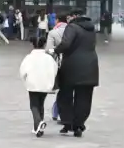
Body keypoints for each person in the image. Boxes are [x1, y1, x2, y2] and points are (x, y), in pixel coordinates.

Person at [54, 9, 100, 137]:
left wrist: (55, 50)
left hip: (72, 66)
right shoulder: (92, 28)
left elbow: (66, 43)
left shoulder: (72, 27)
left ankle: (67, 122)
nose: (67, 19)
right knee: (84, 98)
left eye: (69, 17)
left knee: (65, 95)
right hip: (90, 66)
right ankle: (78, 124)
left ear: (74, 16)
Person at [19, 34, 59, 137]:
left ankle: (38, 122)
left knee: (34, 105)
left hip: (33, 84)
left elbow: (22, 71)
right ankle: (37, 128)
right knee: (41, 104)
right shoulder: (49, 58)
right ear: (44, 45)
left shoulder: (29, 57)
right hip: (45, 84)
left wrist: (25, 81)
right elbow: (55, 70)